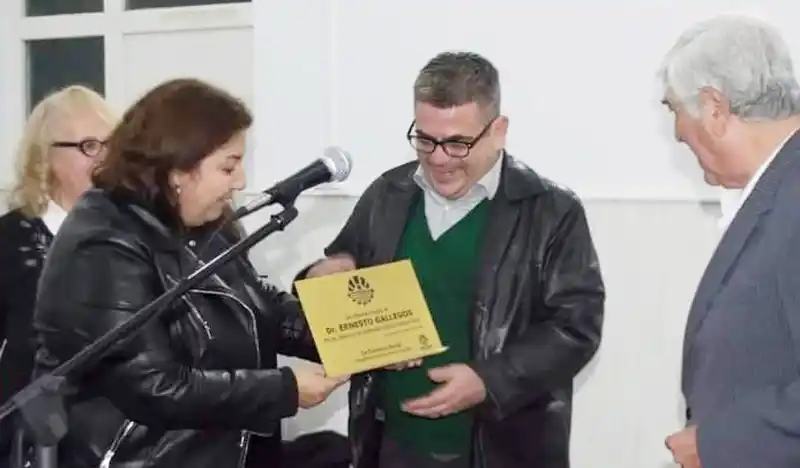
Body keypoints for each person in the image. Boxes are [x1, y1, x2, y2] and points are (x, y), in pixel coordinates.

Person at [296, 52, 605, 468]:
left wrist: (487, 381)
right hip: (390, 442)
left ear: (499, 131)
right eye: (424, 139)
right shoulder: (387, 194)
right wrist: (325, 273)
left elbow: (576, 327)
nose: (439, 158)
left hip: (502, 448)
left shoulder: (552, 211)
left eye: (458, 142)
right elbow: (340, 274)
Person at [31, 78, 346, 468]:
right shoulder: (102, 245)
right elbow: (152, 385)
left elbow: (259, 308)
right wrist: (285, 389)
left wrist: (360, 329)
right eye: (229, 167)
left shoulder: (202, 222)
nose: (241, 181)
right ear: (178, 169)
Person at [660, 15, 800, 468]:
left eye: (674, 109)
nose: (678, 131)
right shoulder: (777, 186)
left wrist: (720, 442)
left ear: (714, 108)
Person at [0, 85, 116, 466]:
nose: (104, 159)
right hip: (31, 442)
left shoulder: (131, 235)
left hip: (119, 440)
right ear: (44, 159)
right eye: (88, 146)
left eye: (111, 145)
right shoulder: (9, 239)